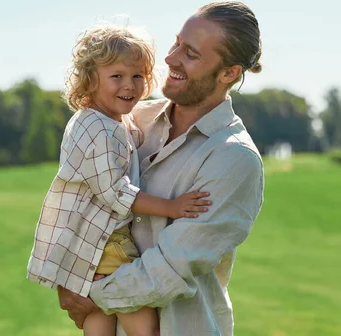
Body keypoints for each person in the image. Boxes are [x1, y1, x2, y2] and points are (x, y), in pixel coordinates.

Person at [57, 1, 265, 336]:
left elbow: (171, 268)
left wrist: (86, 293)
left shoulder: (234, 159)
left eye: (191, 54)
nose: (170, 59)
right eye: (176, 43)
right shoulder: (130, 121)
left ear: (229, 73)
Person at [27, 23, 212, 336]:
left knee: (98, 325)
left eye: (138, 76)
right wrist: (172, 207)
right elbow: (115, 193)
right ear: (91, 80)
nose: (130, 86)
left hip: (90, 242)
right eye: (117, 77)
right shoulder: (98, 129)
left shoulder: (109, 120)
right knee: (145, 329)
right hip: (106, 242)